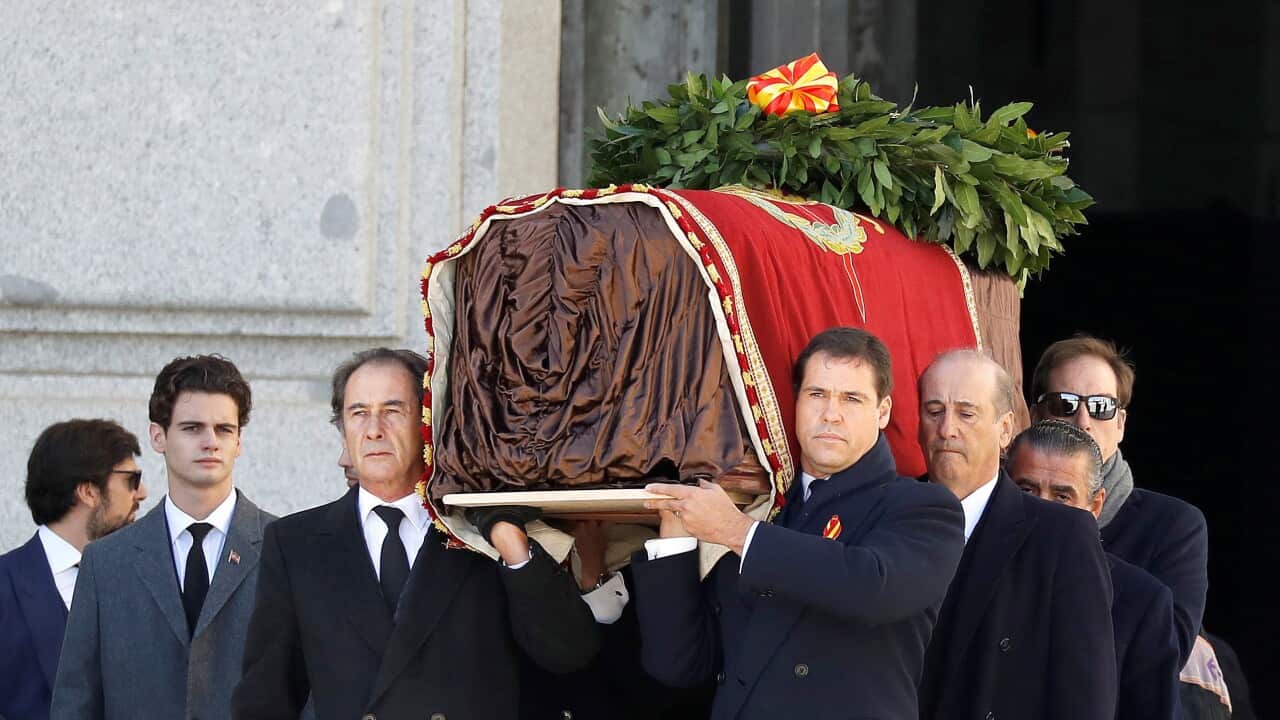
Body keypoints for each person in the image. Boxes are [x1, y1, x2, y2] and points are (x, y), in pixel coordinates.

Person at [232, 348, 599, 720]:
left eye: (392, 411)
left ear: (428, 421)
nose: (373, 430)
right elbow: (265, 699)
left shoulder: (483, 533)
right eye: (358, 413)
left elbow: (568, 654)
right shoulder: (296, 543)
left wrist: (514, 549)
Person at [633, 327, 965, 720]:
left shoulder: (924, 507)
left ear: (883, 412)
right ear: (796, 403)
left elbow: (871, 585)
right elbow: (678, 665)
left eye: (852, 398)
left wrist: (736, 531)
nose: (831, 413)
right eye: (817, 394)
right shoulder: (767, 513)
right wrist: (676, 540)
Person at [51, 355, 276, 720]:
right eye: (192, 428)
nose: (210, 442)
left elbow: (311, 692)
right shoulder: (106, 562)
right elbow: (76, 700)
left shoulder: (285, 549)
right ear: (159, 436)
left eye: (224, 429)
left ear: (239, 441)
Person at [916, 350, 1116, 720]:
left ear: (1006, 428)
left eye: (966, 412)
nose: (947, 429)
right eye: (934, 411)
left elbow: (1084, 696)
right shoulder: (887, 516)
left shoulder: (1063, 537)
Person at [1030, 335, 1208, 664]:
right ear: (1036, 416)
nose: (1083, 422)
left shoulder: (1172, 525)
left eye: (1100, 407)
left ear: (1121, 424)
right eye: (1064, 404)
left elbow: (1168, 651)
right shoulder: (1005, 513)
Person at [1007, 419, 1180, 720]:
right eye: (1027, 490)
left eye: (1062, 497)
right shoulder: (965, 572)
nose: (1044, 510)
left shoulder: (1142, 603)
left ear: (1095, 505)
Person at [1, 420, 147, 720]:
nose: (142, 493)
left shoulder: (148, 581)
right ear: (88, 492)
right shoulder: (5, 585)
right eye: (131, 480)